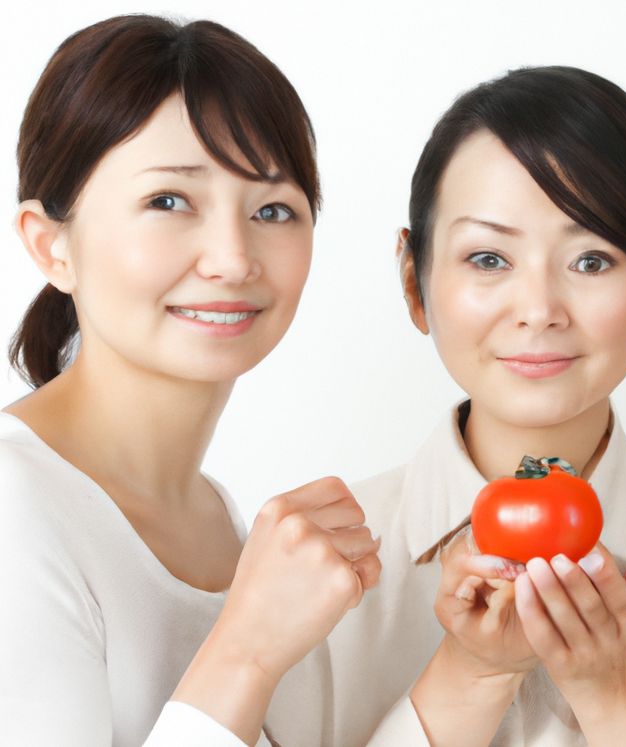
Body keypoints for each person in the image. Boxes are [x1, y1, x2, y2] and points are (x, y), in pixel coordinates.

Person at [326, 66, 626, 746]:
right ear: (414, 280)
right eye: (487, 258)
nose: (538, 311)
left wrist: (617, 694)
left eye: (591, 260)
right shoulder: (324, 569)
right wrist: (468, 676)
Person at [0, 15, 381, 746]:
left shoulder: (220, 517)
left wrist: (477, 672)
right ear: (52, 246)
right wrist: (247, 648)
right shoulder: (16, 508)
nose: (233, 258)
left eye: (273, 209)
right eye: (169, 201)